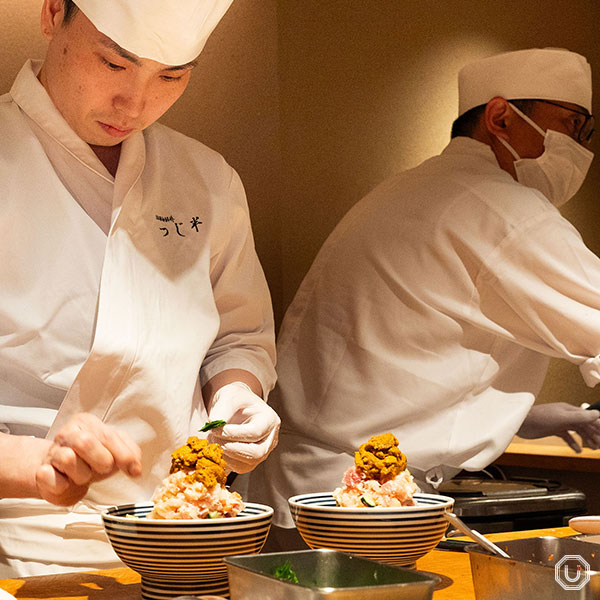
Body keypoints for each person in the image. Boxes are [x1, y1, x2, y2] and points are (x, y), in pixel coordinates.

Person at [0, 0, 279, 577]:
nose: (137, 103)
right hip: (34, 556)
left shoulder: (208, 181)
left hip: (200, 544)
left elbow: (239, 336)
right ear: (54, 12)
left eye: (172, 77)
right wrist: (37, 465)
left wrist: (238, 397)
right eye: (113, 63)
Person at [244, 47, 600, 549]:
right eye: (571, 126)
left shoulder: (410, 189)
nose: (582, 147)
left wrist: (532, 415)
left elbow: (404, 353)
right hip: (362, 507)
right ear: (500, 117)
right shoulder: (503, 209)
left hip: (300, 496)